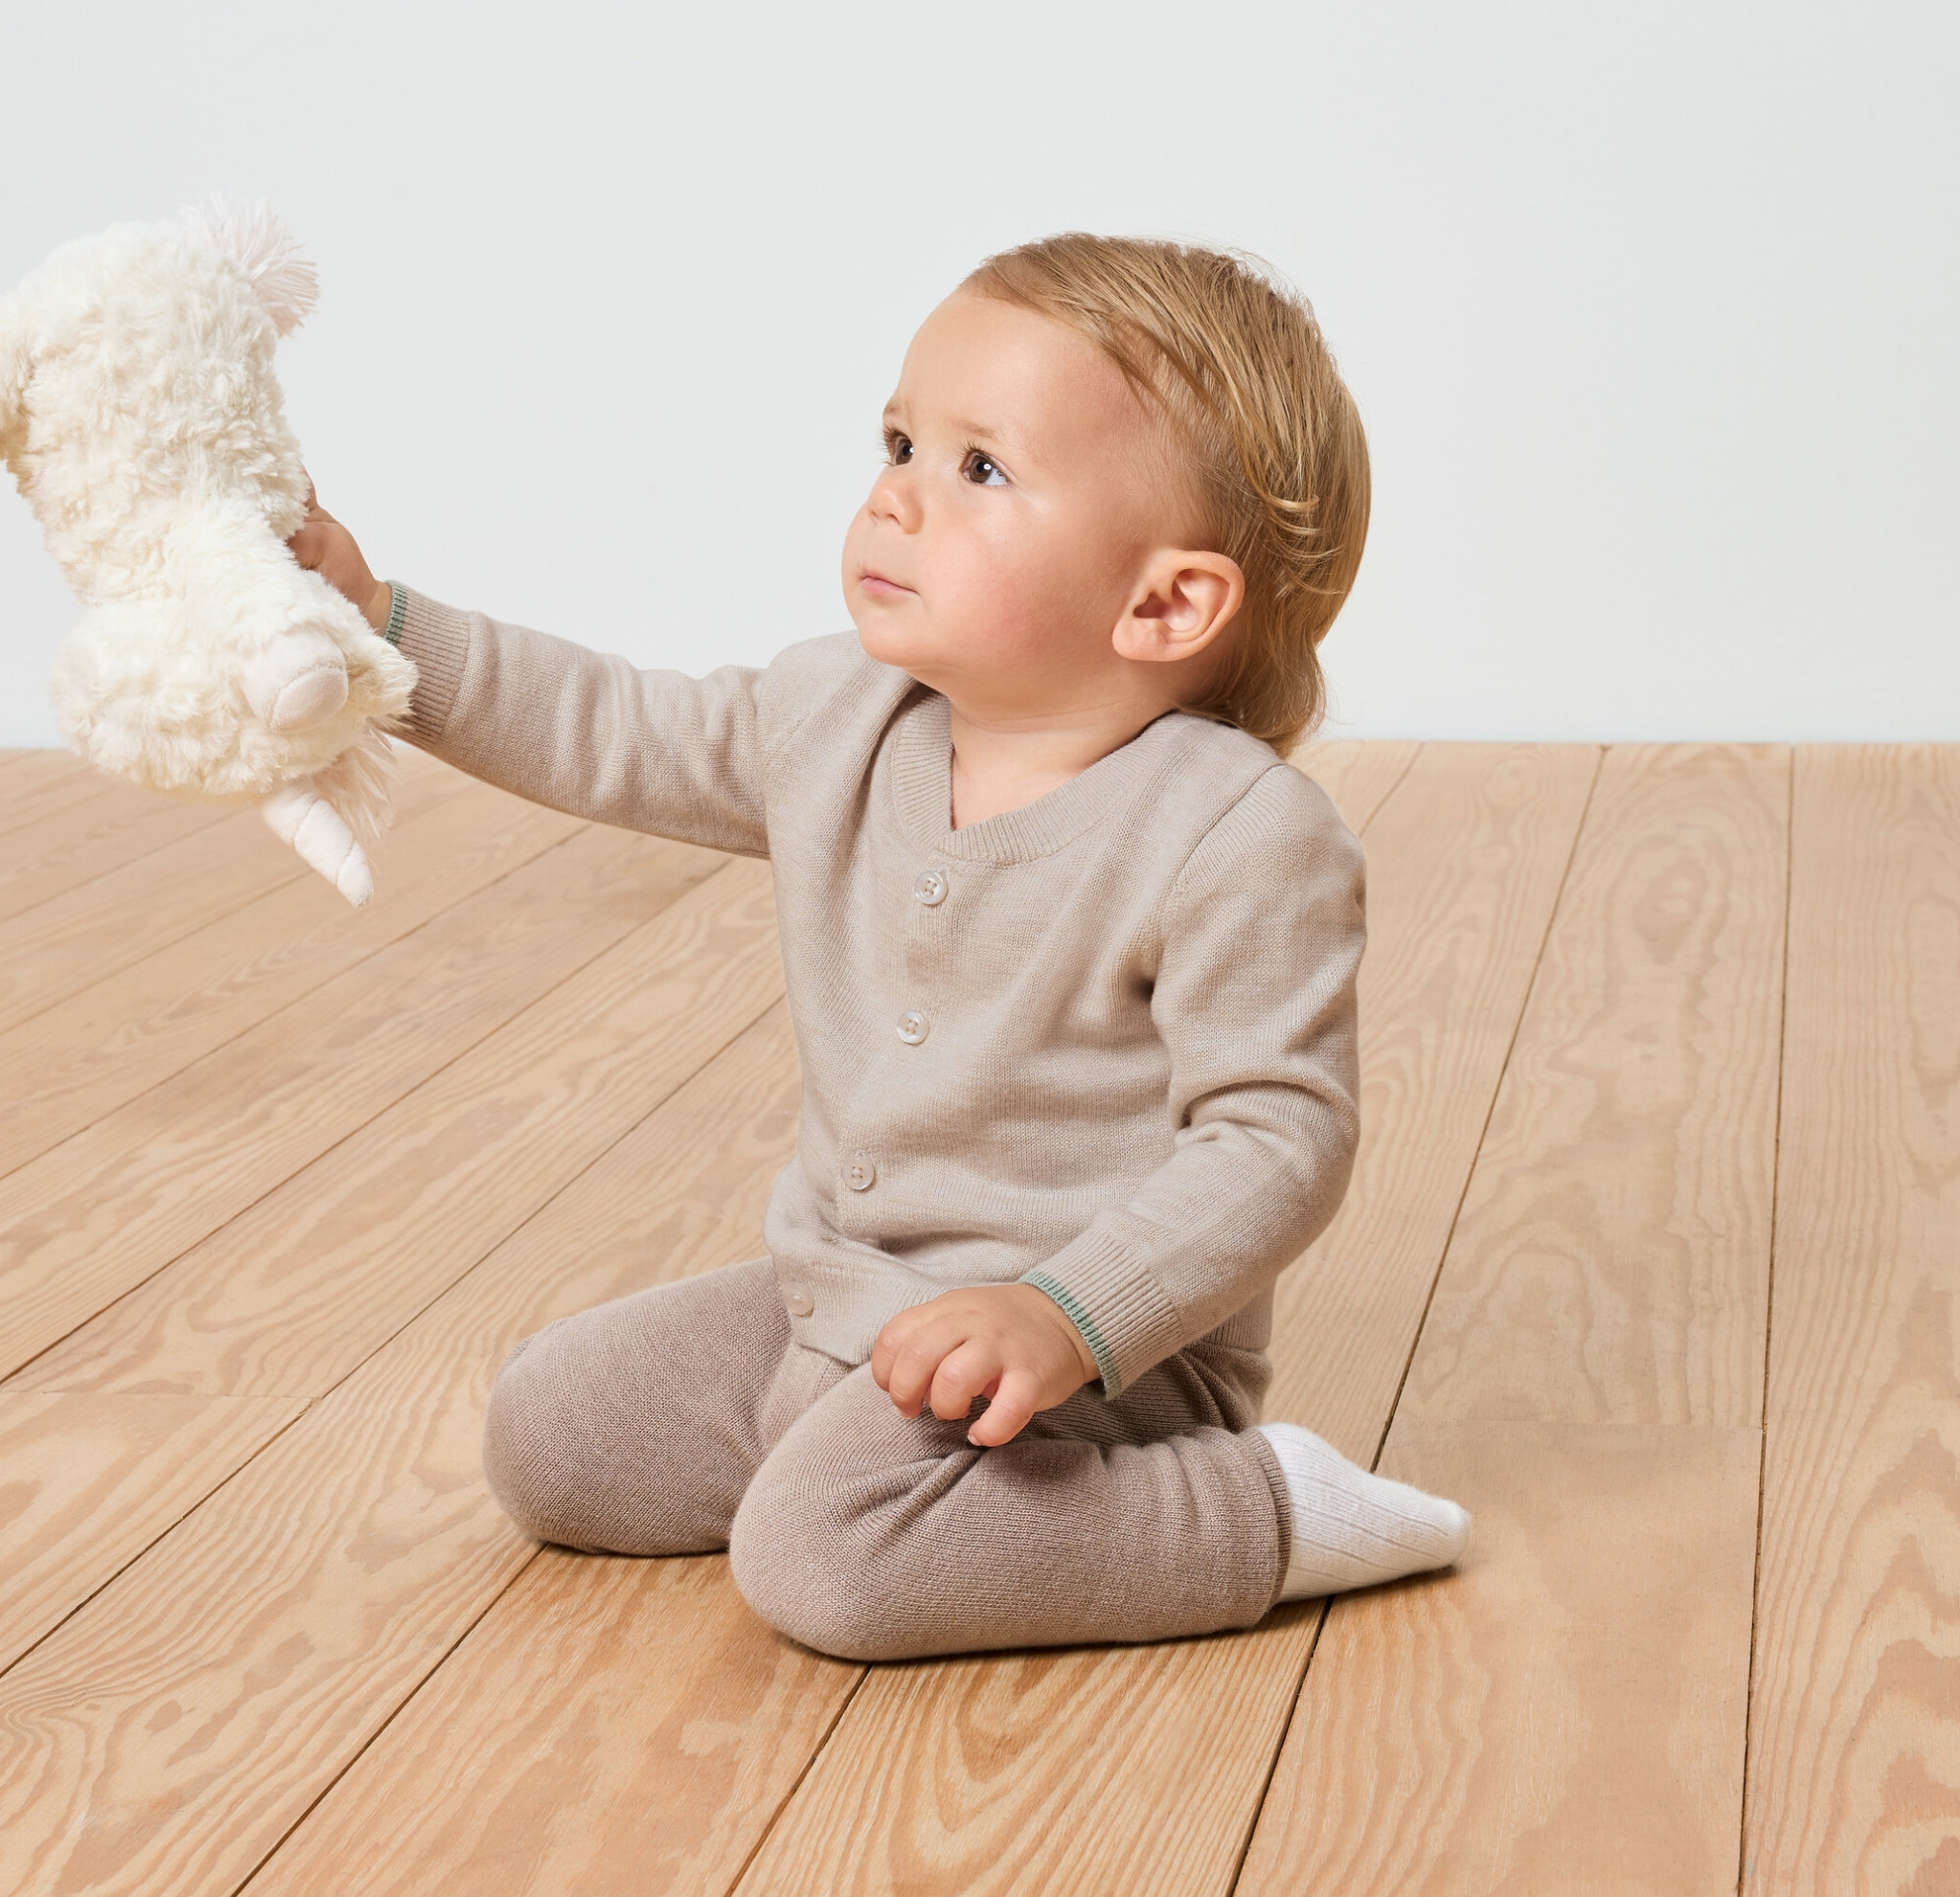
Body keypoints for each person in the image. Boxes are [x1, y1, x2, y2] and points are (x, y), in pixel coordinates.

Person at [289, 234, 1470, 1662]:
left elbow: (1277, 1140)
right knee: (551, 1434)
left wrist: (1062, 1315)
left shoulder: (1235, 833)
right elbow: (611, 724)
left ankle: (1258, 1510)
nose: (890, 494)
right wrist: (378, 630)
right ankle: (863, 1466)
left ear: (1164, 602)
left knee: (822, 1567)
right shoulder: (841, 717)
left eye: (977, 469)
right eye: (899, 437)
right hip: (836, 1304)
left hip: (1086, 1366)